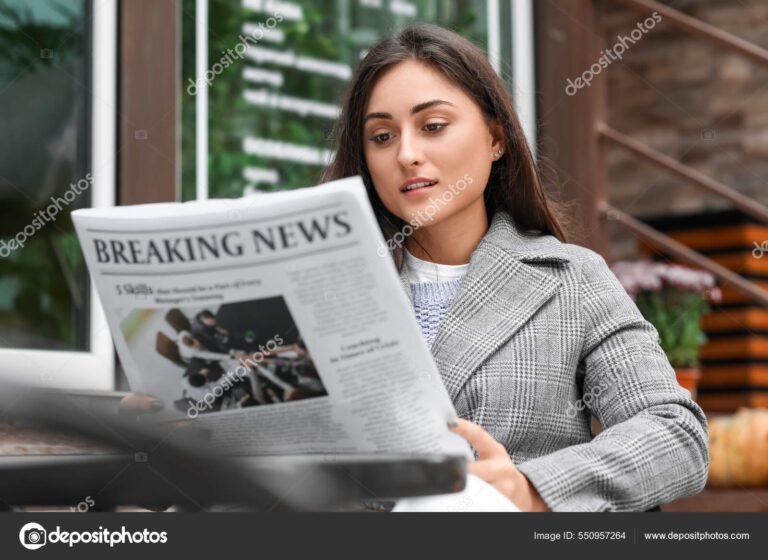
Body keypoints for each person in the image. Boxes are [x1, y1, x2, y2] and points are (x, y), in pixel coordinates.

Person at [123, 24, 708, 512]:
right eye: (382, 135)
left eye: (432, 126)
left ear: (496, 137)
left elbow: (675, 432)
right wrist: (178, 439)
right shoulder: (318, 284)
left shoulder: (571, 279)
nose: (406, 153)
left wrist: (531, 490)